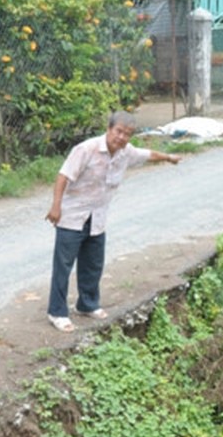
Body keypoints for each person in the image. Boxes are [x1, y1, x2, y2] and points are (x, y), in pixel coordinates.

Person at [44, 110, 181, 332]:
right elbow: (63, 176)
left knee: (93, 263)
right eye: (118, 131)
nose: (122, 137)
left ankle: (87, 304)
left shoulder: (126, 152)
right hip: (72, 216)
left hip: (97, 218)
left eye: (127, 134)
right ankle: (57, 312)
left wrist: (169, 157)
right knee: (64, 266)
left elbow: (148, 154)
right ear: (109, 129)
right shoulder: (86, 150)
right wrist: (56, 206)